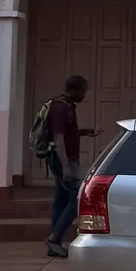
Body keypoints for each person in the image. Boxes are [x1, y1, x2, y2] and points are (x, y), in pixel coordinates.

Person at [40, 75, 91, 259]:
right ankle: (54, 239)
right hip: (63, 160)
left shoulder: (67, 106)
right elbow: (59, 138)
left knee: (61, 199)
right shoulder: (60, 107)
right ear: (76, 89)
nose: (84, 95)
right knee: (77, 198)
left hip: (65, 159)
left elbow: (67, 134)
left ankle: (55, 242)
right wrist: (66, 168)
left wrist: (82, 133)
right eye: (84, 91)